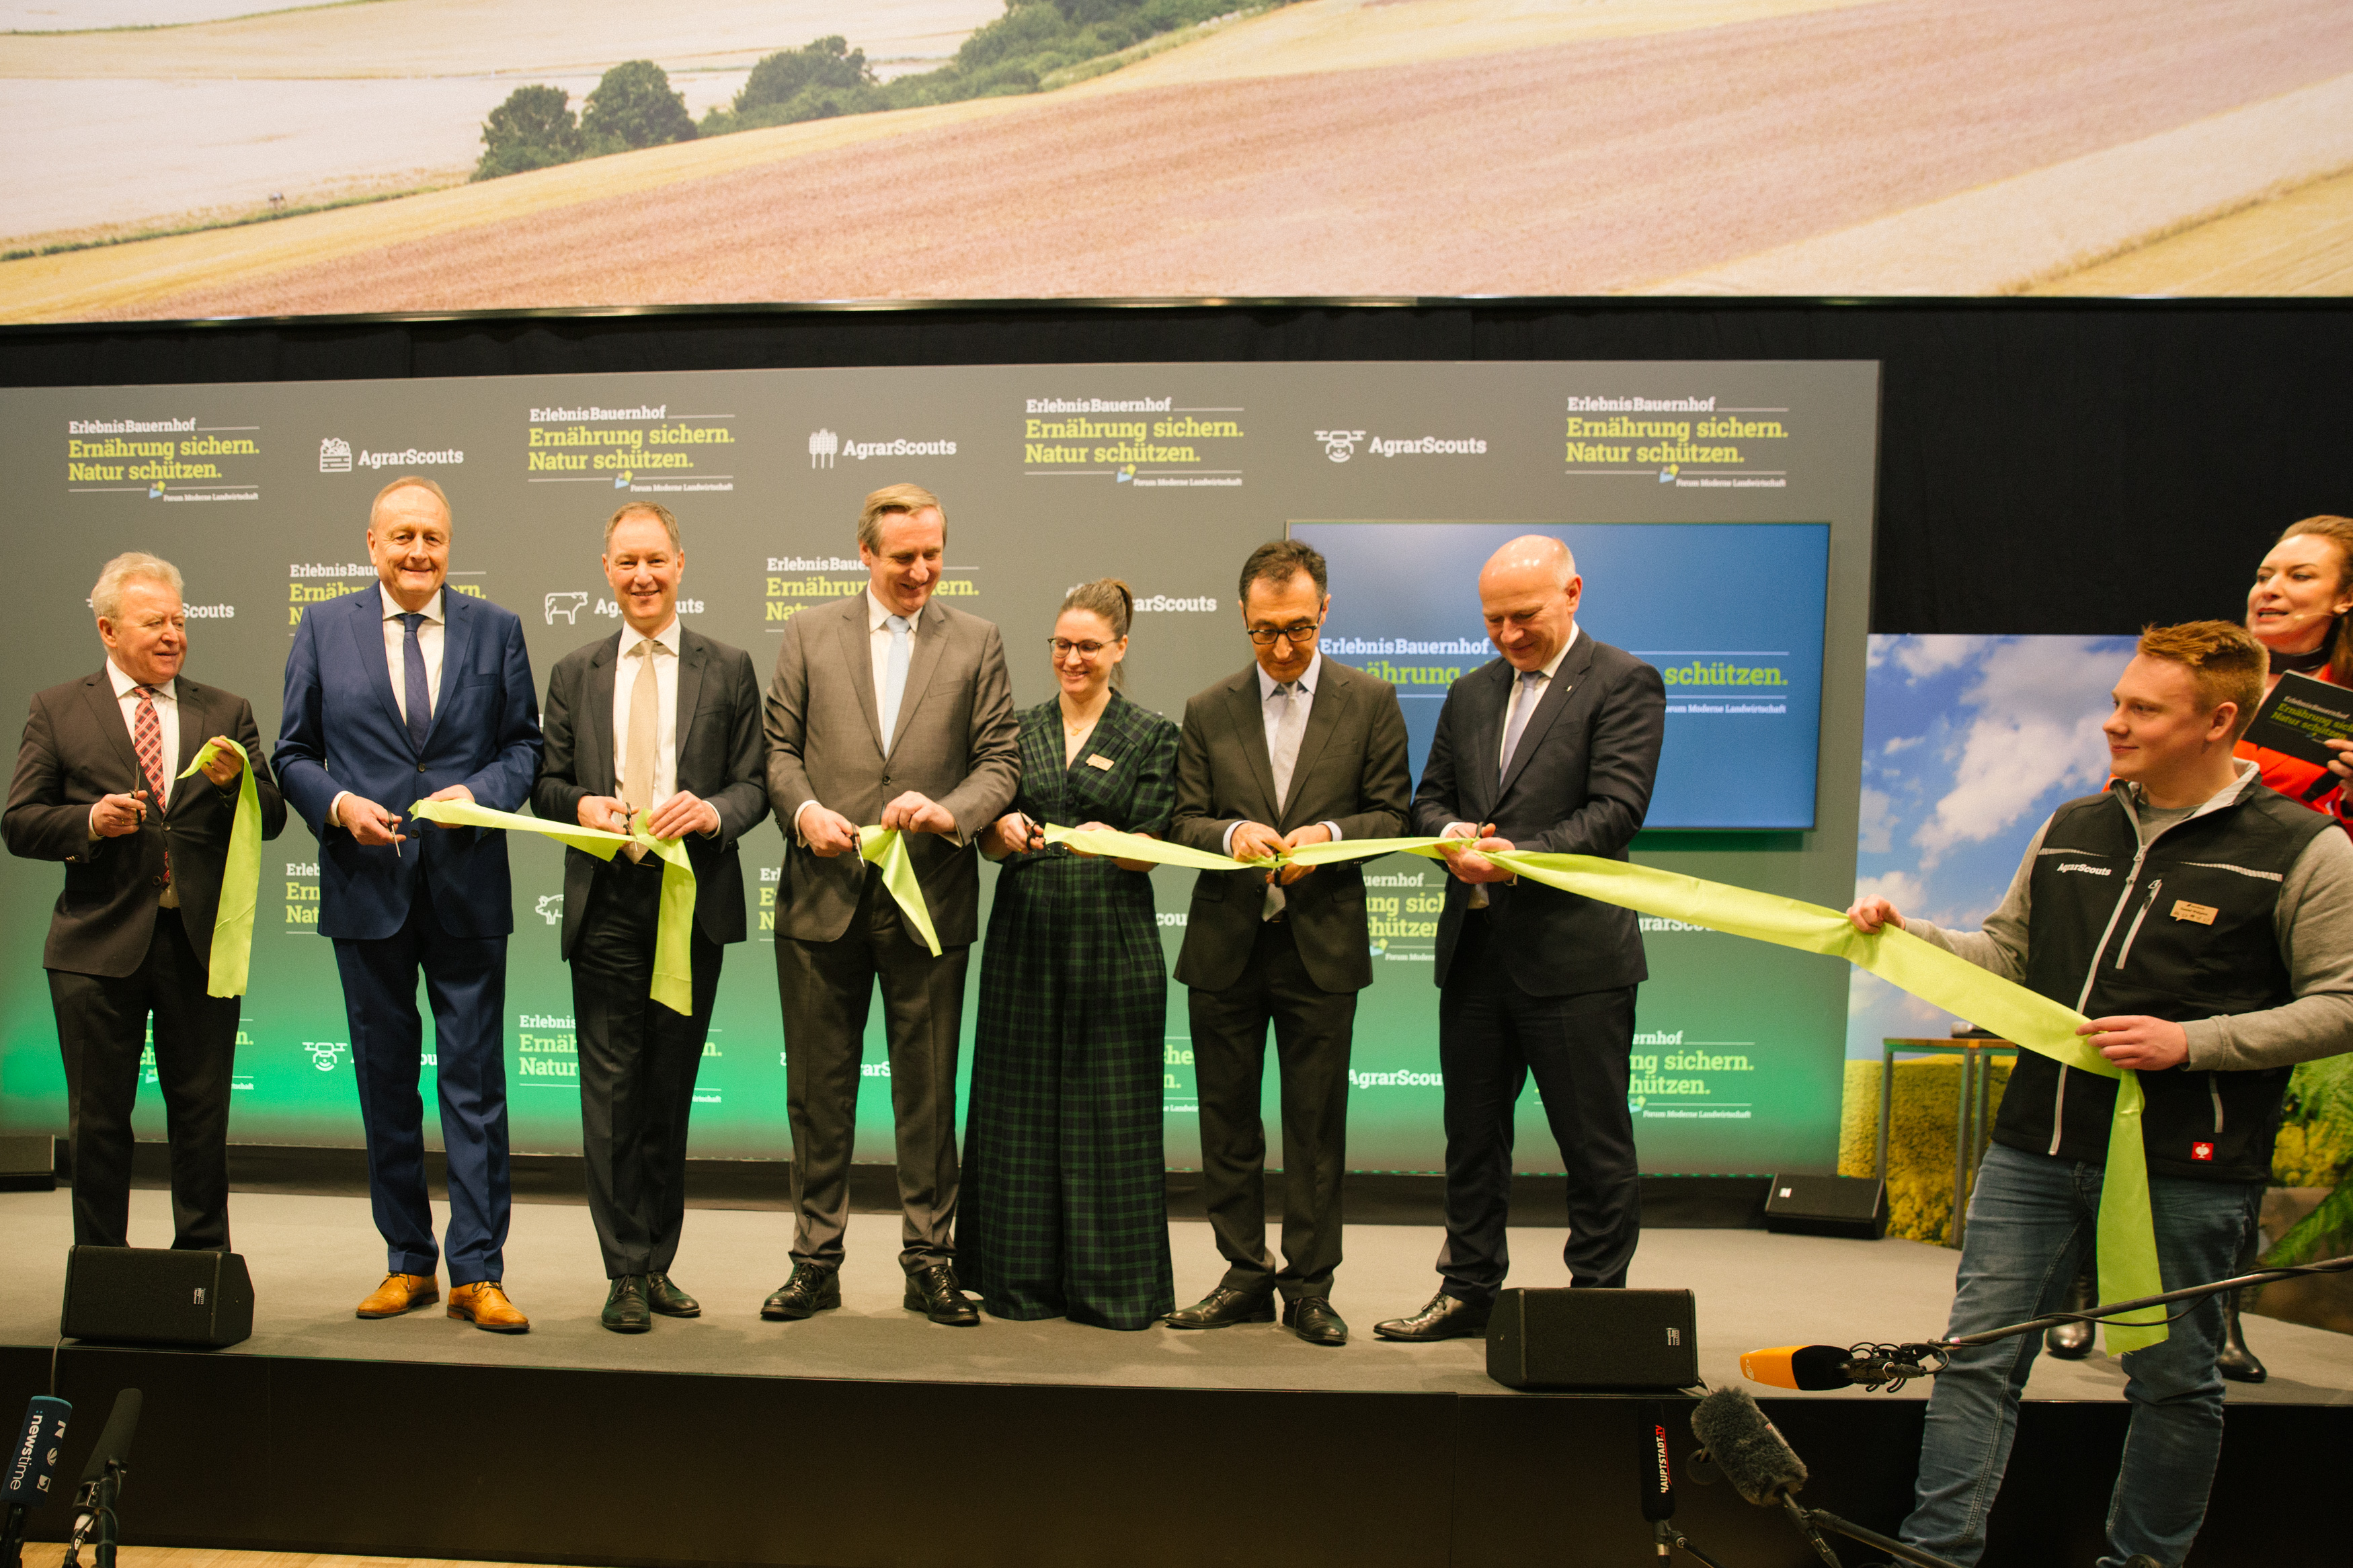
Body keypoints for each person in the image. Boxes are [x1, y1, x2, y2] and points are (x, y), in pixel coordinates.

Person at [1845, 621, 2353, 1568]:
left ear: (2220, 721)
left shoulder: (2304, 849)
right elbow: (2006, 957)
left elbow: (2342, 1004)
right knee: (1977, 1357)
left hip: (2187, 1171)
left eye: (2143, 709)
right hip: (2033, 1148)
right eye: (2119, 699)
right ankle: (1935, 1555)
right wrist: (1904, 933)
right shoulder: (2072, 824)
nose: (2113, 721)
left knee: (2171, 1380)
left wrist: (2191, 1043)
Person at [1373, 536, 1666, 1342]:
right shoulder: (1468, 692)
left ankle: (1594, 1304)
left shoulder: (1623, 681)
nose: (1506, 634)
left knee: (1593, 1144)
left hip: (1575, 959)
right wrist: (1448, 830)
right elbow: (1423, 799)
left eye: (1523, 616)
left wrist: (1514, 861)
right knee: (1470, 1138)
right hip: (1474, 956)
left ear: (1572, 592)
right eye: (1492, 620)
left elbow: (1616, 808)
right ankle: (1467, 1289)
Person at [275, 476, 543, 1331]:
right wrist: (338, 806)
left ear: (449, 544)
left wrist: (481, 791)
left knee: (474, 1085)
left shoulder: (496, 629)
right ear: (372, 544)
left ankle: (478, 1269)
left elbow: (525, 746)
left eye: (431, 536)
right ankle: (405, 1260)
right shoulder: (323, 626)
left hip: (465, 886)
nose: (417, 551)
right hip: (367, 890)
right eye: (402, 537)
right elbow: (293, 753)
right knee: (385, 1085)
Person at [760, 483, 1019, 1327]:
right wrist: (803, 812)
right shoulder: (807, 632)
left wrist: (954, 812)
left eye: (933, 552)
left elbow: (999, 762)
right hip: (821, 898)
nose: (921, 569)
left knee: (928, 1093)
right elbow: (778, 750)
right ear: (865, 553)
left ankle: (930, 1261)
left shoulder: (977, 640)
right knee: (817, 1094)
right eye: (904, 555)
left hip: (928, 899)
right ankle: (814, 1260)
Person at [1162, 539, 1411, 1347]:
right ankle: (1241, 1273)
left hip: (1321, 945)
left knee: (1315, 1127)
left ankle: (1308, 1286)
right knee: (1226, 1123)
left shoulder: (1370, 700)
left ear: (1325, 612)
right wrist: (1231, 831)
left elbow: (1393, 815)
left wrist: (1330, 834)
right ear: (1242, 617)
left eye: (1298, 629)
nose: (1281, 648)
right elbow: (1181, 816)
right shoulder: (1206, 708)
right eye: (1265, 630)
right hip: (1226, 945)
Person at [531, 503, 768, 1333]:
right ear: (606, 568)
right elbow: (547, 782)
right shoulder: (574, 671)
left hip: (691, 901)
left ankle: (657, 1260)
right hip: (606, 901)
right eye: (627, 561)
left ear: (679, 564)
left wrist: (710, 813)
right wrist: (582, 804)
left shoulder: (730, 666)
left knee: (668, 1091)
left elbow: (755, 786)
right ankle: (622, 1268)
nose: (642, 575)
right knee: (611, 1093)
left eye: (656, 561)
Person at [5, 552, 285, 1252]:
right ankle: (103, 1273)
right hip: (96, 949)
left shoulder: (225, 711)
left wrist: (233, 785)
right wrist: (89, 823)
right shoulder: (58, 708)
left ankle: (201, 1273)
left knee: (201, 1117)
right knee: (99, 1122)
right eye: (154, 621)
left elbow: (273, 816)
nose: (173, 634)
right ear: (107, 629)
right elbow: (20, 821)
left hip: (196, 947)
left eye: (180, 621)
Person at [963, 579, 1179, 1330]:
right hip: (1024, 936)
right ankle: (1017, 1282)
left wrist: (1110, 842)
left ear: (1119, 648)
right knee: (1015, 1114)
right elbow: (985, 837)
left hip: (1112, 942)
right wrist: (1004, 831)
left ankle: (1110, 1288)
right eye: (1061, 644)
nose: (1072, 658)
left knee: (1107, 1119)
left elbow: (1152, 850)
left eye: (1088, 645)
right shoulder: (1015, 730)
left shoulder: (1153, 733)